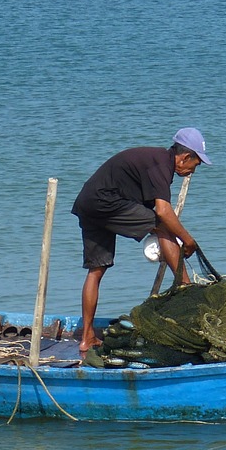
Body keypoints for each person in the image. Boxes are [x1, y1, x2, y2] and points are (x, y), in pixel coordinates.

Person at [71, 128, 211, 353]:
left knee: (96, 270)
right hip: (106, 202)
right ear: (185, 157)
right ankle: (186, 287)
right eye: (196, 164)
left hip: (90, 203)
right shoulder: (161, 165)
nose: (194, 169)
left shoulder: (156, 162)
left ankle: (87, 337)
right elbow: (164, 213)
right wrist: (188, 240)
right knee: (163, 226)